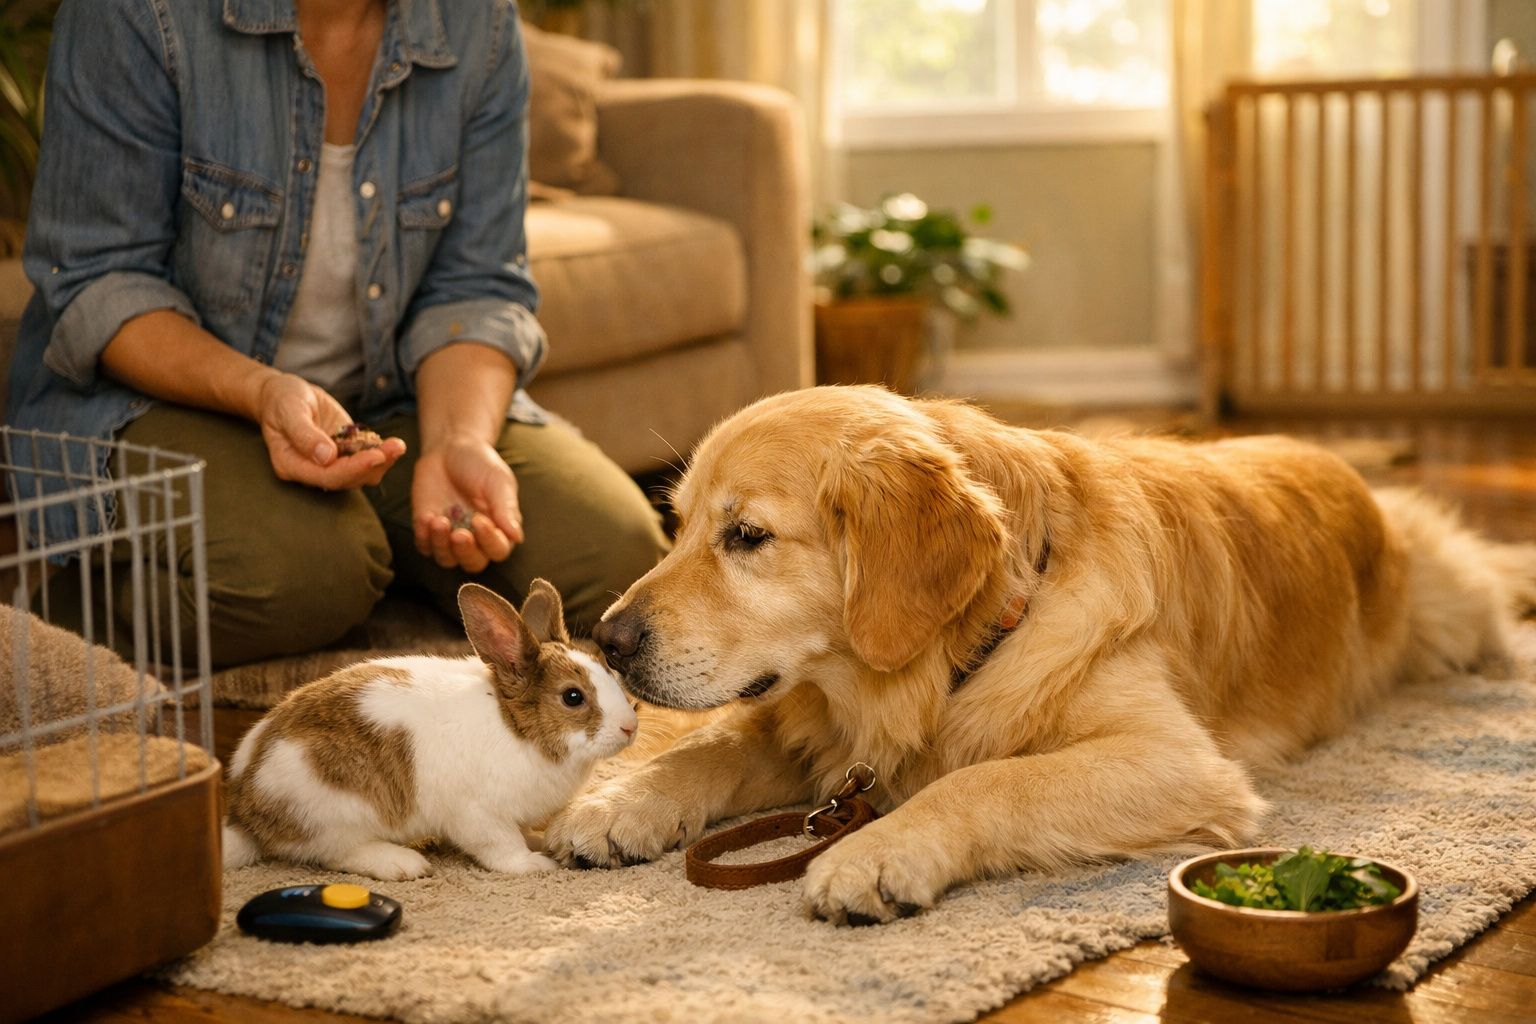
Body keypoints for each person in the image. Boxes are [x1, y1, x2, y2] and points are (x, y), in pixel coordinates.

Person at [8, 0, 669, 665]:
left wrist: (455, 441)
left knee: (619, 565)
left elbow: (478, 286)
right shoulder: (134, 14)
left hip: (385, 405)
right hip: (163, 399)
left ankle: (378, 553)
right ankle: (51, 622)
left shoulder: (480, 22)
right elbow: (100, 283)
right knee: (309, 579)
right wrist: (262, 392)